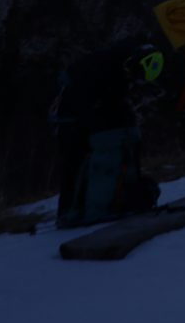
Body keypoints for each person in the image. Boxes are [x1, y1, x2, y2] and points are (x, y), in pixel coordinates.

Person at [50, 39, 163, 228]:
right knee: (77, 164)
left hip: (82, 113)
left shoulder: (117, 65)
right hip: (71, 118)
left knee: (101, 154)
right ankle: (74, 212)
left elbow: (114, 104)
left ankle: (109, 202)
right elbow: (92, 103)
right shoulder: (102, 69)